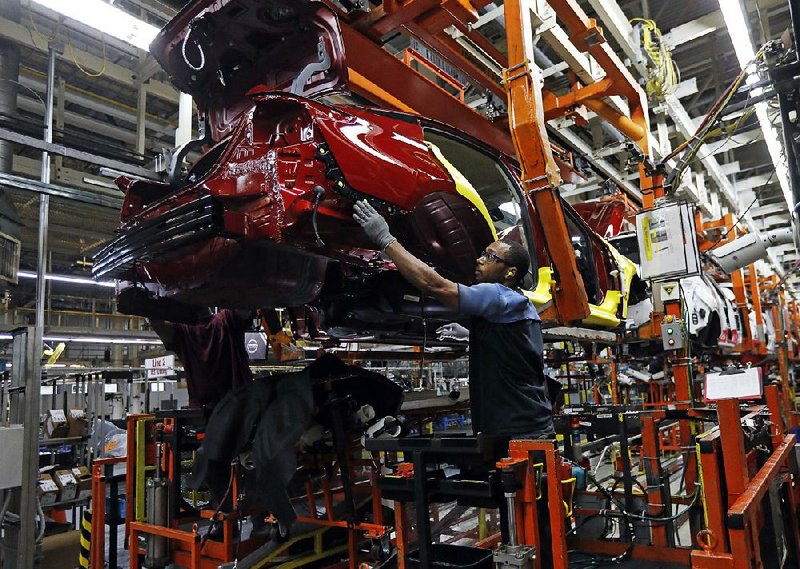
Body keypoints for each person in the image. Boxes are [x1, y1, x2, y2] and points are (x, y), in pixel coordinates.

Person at [352, 200, 554, 439]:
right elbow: (514, 352)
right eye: (482, 254)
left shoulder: (499, 295)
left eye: (490, 256)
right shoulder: (518, 305)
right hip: (525, 426)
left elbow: (435, 285)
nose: (479, 259)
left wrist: (386, 239)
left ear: (510, 272)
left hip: (520, 432)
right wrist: (473, 337)